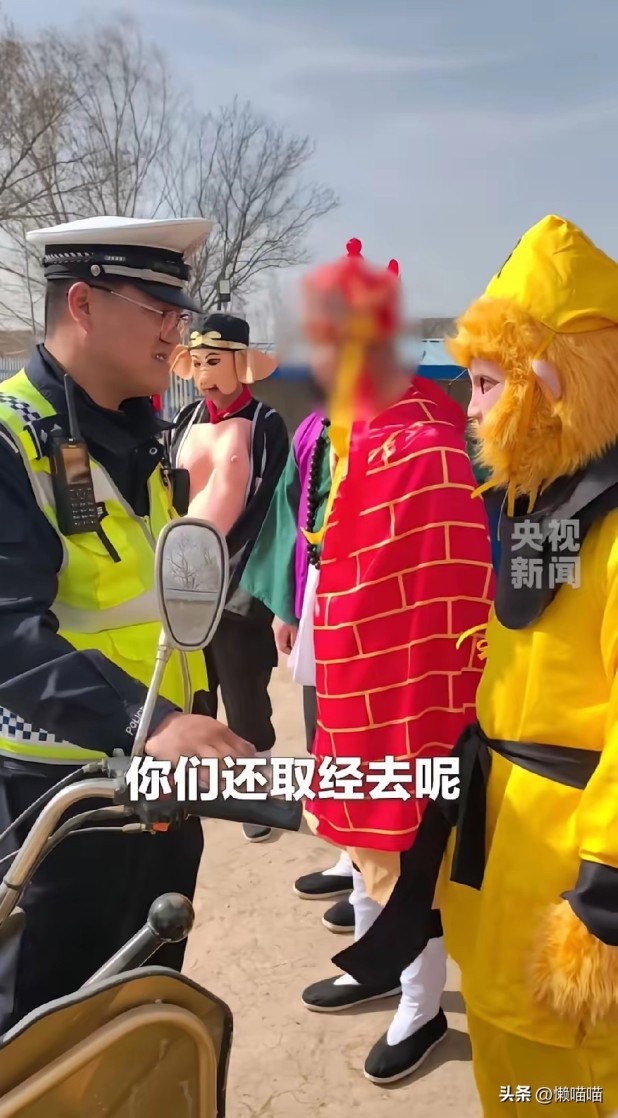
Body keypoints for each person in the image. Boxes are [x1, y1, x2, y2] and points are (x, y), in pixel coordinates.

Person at [0, 215, 255, 1086]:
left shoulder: (144, 436)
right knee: (46, 1050)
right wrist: (149, 721)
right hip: (51, 808)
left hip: (156, 793)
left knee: (145, 1023)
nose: (179, 331)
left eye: (181, 310)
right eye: (159, 308)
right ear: (84, 304)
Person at [342, 214, 618, 1114]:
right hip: (506, 870)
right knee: (512, 1077)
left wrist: (604, 900)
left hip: (568, 898)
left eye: (490, 382)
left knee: (562, 1093)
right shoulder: (546, 509)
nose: (469, 405)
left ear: (553, 381)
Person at [298, 239, 494, 1084]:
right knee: (360, 836)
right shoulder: (350, 427)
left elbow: (453, 580)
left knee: (411, 849)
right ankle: (377, 965)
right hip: (350, 671)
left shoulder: (425, 438)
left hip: (413, 684)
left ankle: (421, 1004)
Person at [168, 314, 289, 841]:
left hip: (240, 575)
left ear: (240, 363)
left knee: (244, 689)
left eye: (214, 361)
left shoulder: (266, 423)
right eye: (196, 362)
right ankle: (195, 790)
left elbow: (274, 505)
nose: (204, 375)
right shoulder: (184, 419)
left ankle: (252, 791)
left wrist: (250, 577)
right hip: (184, 573)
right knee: (193, 689)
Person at [240, 379, 355, 933]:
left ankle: (376, 874)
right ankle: (350, 854)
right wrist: (287, 605)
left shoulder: (397, 432)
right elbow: (291, 517)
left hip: (372, 599)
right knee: (323, 730)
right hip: (318, 588)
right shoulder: (314, 429)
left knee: (367, 734)